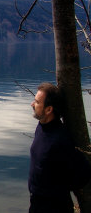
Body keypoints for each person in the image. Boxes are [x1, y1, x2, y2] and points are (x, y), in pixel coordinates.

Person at [29, 82, 91, 213]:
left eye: (37, 102)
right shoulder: (41, 127)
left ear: (49, 109)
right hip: (36, 203)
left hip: (54, 207)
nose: (32, 104)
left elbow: (83, 174)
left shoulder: (60, 139)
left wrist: (57, 188)